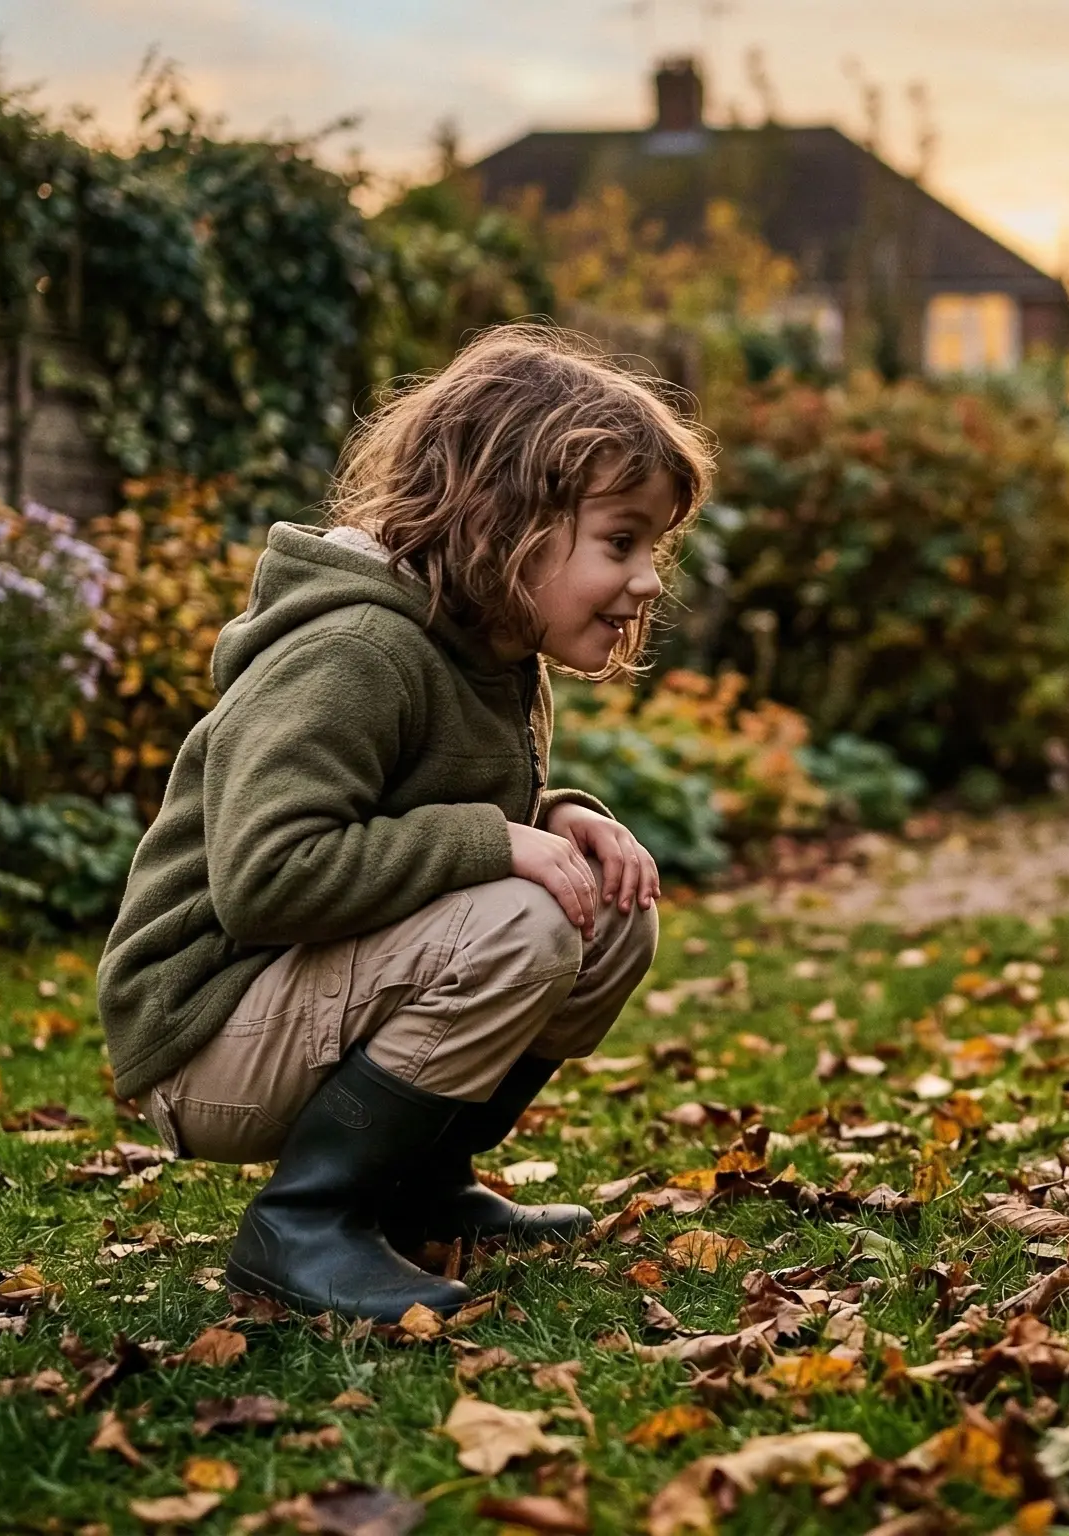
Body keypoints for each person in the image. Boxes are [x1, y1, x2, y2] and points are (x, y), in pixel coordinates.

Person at [97, 324, 708, 1321]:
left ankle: (417, 1190)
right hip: (202, 1036)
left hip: (295, 1003)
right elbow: (267, 878)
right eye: (620, 541)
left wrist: (555, 816)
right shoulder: (354, 649)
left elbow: (418, 814)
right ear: (508, 521)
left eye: (655, 546)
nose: (647, 578)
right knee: (530, 915)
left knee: (604, 909)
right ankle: (303, 1222)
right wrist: (498, 841)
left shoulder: (491, 649)